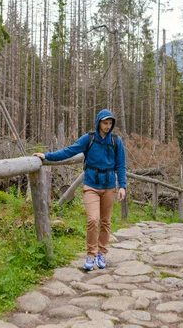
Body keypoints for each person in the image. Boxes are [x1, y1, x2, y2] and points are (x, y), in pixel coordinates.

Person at [33, 109, 127, 271]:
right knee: (93, 220)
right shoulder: (88, 139)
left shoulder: (115, 141)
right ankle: (91, 254)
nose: (107, 126)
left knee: (106, 222)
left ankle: (102, 252)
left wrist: (123, 186)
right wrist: (47, 156)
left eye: (110, 123)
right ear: (99, 123)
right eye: (105, 123)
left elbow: (121, 165)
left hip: (110, 186)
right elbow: (69, 151)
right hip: (91, 185)